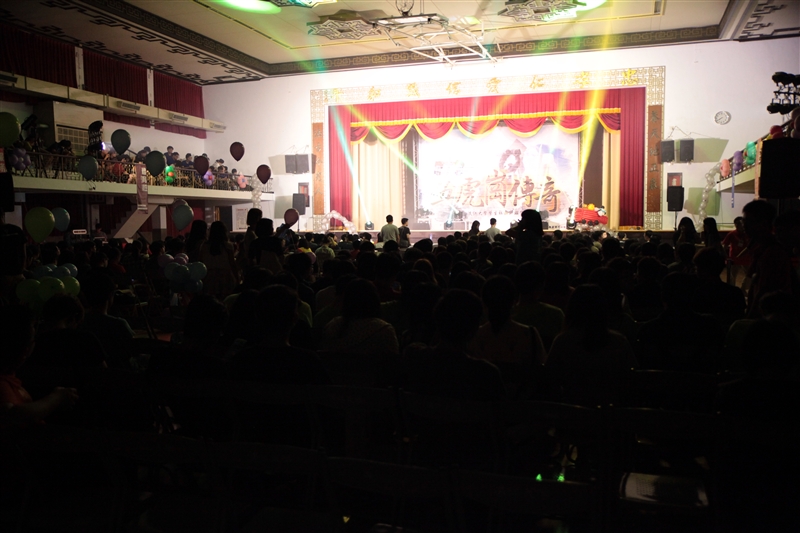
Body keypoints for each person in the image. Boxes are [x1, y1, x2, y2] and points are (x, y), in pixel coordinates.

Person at [199, 221, 239, 299]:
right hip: (225, 277)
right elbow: (232, 264)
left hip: (209, 278)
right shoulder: (228, 246)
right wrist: (237, 278)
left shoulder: (204, 246)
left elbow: (201, 262)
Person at [722, 216, 752, 288]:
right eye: (738, 223)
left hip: (746, 258)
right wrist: (726, 256)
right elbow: (725, 245)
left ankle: (743, 288)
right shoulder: (731, 234)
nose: (740, 225)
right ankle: (732, 290)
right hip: (734, 258)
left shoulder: (749, 234)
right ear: (735, 224)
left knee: (749, 275)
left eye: (741, 223)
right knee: (732, 276)